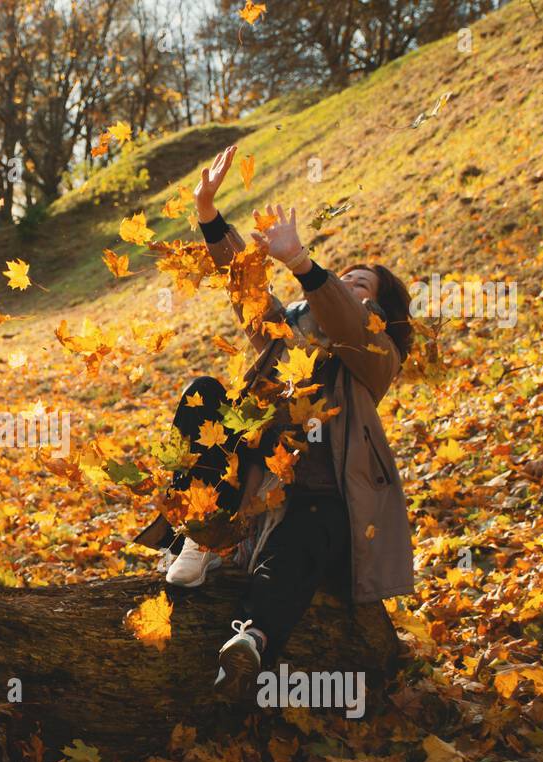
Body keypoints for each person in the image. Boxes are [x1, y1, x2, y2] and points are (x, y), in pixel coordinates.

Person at [164, 144, 417, 698]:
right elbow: (249, 289)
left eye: (361, 285)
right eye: (343, 278)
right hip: (259, 494)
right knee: (205, 395)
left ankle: (250, 643)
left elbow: (347, 322)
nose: (346, 287)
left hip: (321, 505)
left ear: (381, 312)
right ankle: (200, 535)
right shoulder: (288, 338)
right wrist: (208, 213)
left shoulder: (377, 358)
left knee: (303, 536)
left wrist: (304, 263)